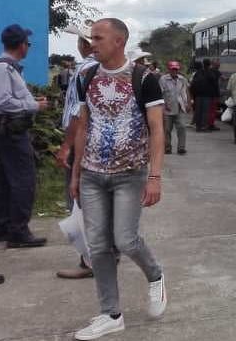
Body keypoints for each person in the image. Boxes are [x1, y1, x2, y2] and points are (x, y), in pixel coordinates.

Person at [70, 18, 167, 340]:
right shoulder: (86, 76)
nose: (91, 43)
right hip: (92, 175)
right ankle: (110, 314)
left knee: (125, 239)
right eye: (90, 38)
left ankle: (155, 275)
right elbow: (83, 126)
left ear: (119, 42)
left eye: (98, 38)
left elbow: (156, 129)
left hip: (130, 175)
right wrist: (76, 173)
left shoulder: (145, 78)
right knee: (97, 247)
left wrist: (155, 176)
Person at [0, 24, 49, 248]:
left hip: (8, 130)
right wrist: (33, 105)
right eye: (28, 43)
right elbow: (2, 102)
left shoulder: (10, 68)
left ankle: (3, 227)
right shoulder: (3, 69)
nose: (28, 47)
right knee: (23, 180)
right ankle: (18, 231)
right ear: (21, 45)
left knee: (6, 180)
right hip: (10, 131)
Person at [55, 22, 99, 279]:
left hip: (81, 142)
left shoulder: (84, 69)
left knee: (80, 202)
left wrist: (66, 147)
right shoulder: (106, 68)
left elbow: (76, 114)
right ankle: (104, 255)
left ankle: (89, 261)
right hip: (97, 143)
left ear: (83, 45)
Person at [159, 61, 189, 155]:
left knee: (182, 127)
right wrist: (163, 105)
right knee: (167, 129)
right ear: (169, 69)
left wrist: (188, 103)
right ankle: (167, 148)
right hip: (167, 107)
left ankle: (181, 148)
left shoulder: (182, 79)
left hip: (180, 107)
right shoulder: (163, 79)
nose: (174, 71)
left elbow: (186, 91)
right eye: (173, 69)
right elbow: (160, 93)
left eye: (176, 69)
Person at [189, 59, 214, 132]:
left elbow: (193, 83)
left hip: (198, 95)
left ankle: (198, 127)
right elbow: (213, 80)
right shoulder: (209, 72)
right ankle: (204, 127)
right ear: (209, 64)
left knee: (198, 111)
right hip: (206, 95)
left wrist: (193, 95)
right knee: (205, 112)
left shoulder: (198, 73)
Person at [207, 59, 222, 131]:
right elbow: (223, 78)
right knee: (213, 110)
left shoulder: (208, 71)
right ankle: (211, 124)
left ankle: (209, 123)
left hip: (208, 93)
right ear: (214, 64)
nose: (219, 65)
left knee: (210, 110)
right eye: (218, 64)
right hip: (214, 94)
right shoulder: (216, 71)